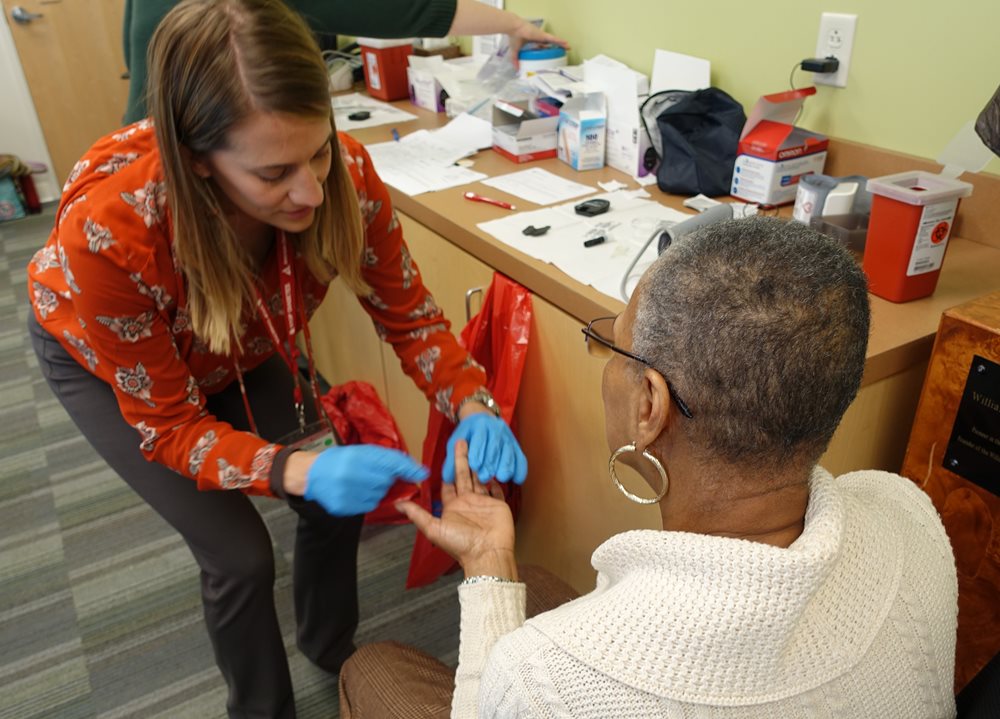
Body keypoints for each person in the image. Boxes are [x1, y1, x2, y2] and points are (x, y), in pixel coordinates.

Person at [27, 0, 527, 716]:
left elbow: (409, 314)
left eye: (319, 150)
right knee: (239, 558)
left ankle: (333, 650)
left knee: (333, 495)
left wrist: (471, 400)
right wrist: (289, 465)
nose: (311, 191)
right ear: (199, 160)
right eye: (273, 172)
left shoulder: (343, 175)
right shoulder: (111, 234)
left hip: (244, 334)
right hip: (112, 368)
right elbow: (169, 425)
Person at [340, 216, 960, 718]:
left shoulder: (544, 680)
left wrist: (482, 574)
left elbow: (518, 691)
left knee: (370, 668)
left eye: (613, 343)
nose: (606, 359)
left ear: (649, 405)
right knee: (530, 578)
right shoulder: (906, 512)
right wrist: (495, 562)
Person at [122, 0, 567, 123]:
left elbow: (133, 43)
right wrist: (510, 22)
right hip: (191, 149)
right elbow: (401, 11)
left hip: (145, 132)